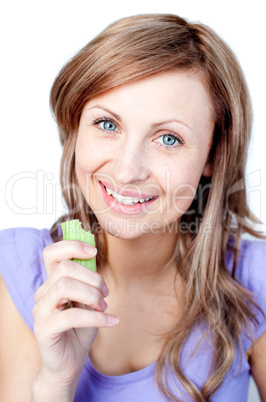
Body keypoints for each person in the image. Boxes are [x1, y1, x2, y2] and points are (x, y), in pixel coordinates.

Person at [0, 13, 265, 402]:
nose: (127, 172)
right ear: (75, 126)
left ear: (213, 154)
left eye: (169, 139)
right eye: (107, 124)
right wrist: (56, 382)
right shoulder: (19, 269)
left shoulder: (254, 279)